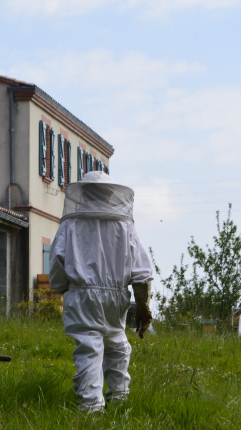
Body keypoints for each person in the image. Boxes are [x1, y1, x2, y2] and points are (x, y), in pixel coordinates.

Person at [49, 170, 153, 413]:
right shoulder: (124, 225)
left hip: (82, 295)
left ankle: (92, 407)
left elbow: (56, 262)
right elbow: (141, 271)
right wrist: (143, 306)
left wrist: (63, 287)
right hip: (116, 296)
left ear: (83, 195)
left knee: (89, 347)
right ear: (109, 195)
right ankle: (119, 400)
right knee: (117, 344)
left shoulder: (71, 223)